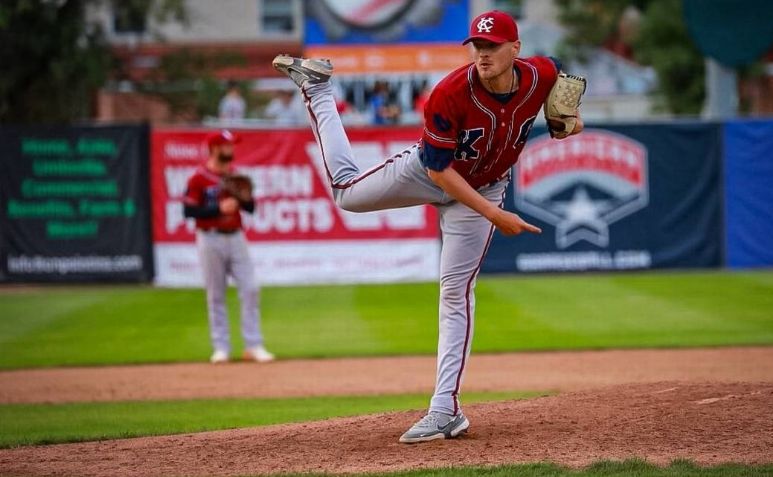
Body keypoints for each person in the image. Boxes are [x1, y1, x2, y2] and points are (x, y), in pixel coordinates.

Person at [272, 9, 583, 443]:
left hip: (487, 186)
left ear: (516, 49)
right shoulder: (449, 93)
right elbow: (440, 173)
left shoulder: (542, 73)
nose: (482, 53)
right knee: (347, 195)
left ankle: (445, 409)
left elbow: (563, 97)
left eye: (492, 46)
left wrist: (568, 121)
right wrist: (494, 214)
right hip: (431, 173)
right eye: (477, 45)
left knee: (455, 292)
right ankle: (319, 89)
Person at [182, 130, 274, 364]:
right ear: (214, 148)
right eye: (227, 146)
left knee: (251, 288)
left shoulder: (234, 176)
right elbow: (188, 211)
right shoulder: (199, 178)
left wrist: (244, 198)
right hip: (209, 237)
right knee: (216, 294)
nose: (231, 149)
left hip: (236, 237)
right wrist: (218, 209)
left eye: (232, 145)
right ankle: (221, 347)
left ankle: (253, 345)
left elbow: (251, 208)